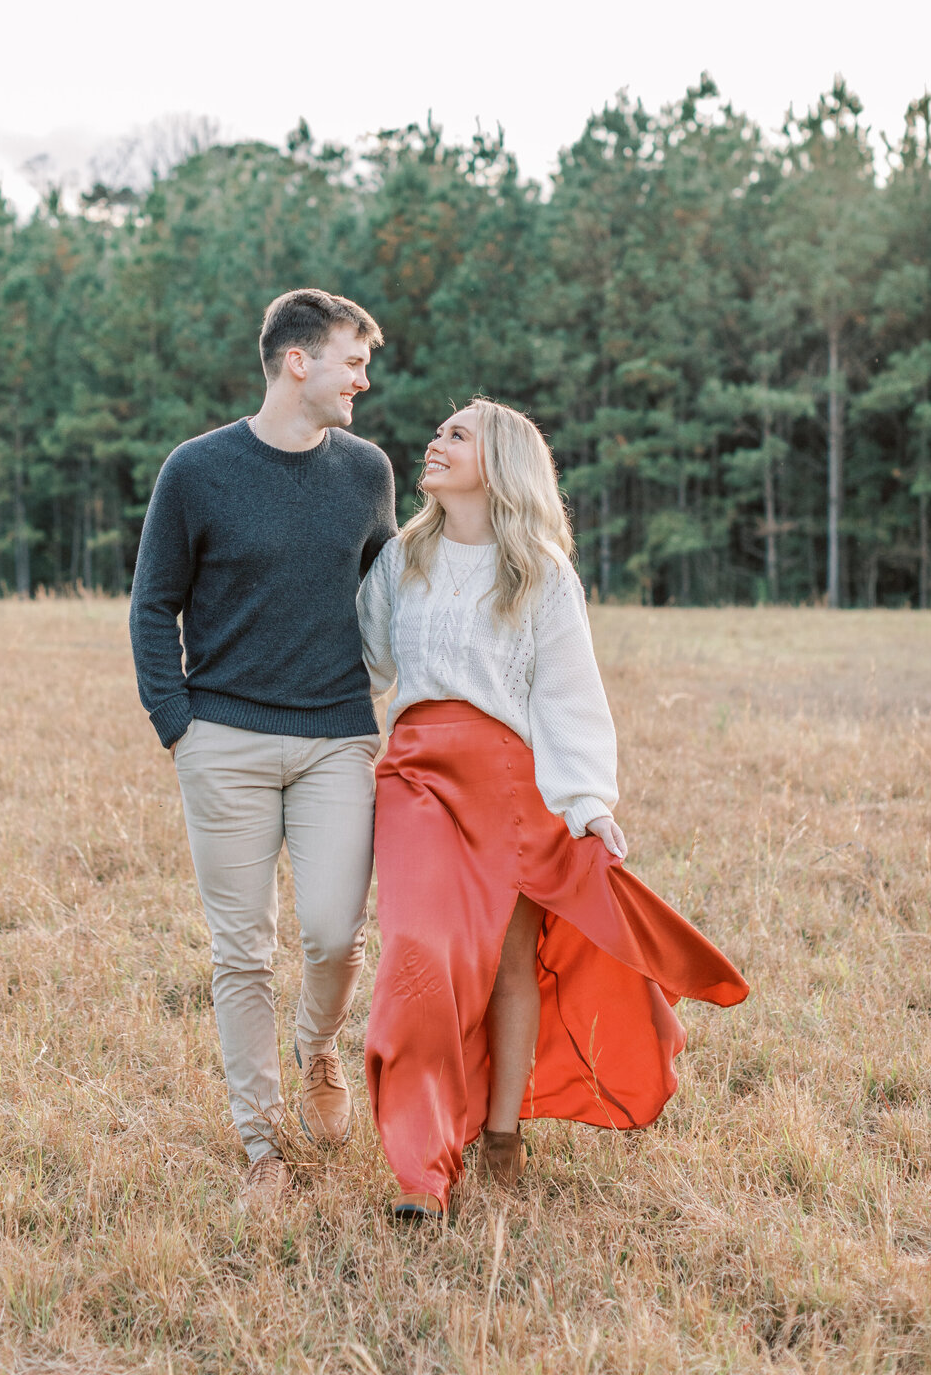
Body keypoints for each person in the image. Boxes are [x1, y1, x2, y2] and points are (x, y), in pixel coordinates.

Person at [357, 398, 748, 1221]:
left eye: (456, 434)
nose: (435, 440)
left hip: (511, 781)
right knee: (419, 954)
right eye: (438, 431)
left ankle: (500, 1138)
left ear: (500, 461)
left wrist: (587, 804)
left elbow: (569, 695)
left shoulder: (539, 568)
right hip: (419, 777)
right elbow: (365, 662)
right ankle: (423, 1171)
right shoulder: (403, 558)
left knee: (508, 964)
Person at [129, 289, 396, 1208]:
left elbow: (391, 599)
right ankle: (261, 1149)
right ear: (298, 361)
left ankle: (318, 1045)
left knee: (332, 931)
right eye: (352, 360)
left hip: (336, 740)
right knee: (241, 953)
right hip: (224, 741)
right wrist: (180, 728)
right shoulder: (196, 471)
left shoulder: (368, 472)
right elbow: (152, 602)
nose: (363, 378)